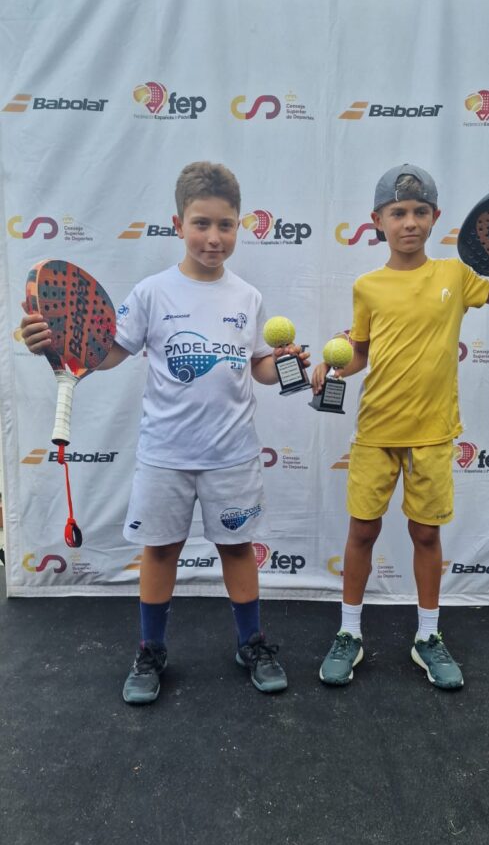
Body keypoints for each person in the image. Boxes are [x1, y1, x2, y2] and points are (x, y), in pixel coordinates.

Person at [21, 161, 309, 704]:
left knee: (237, 549)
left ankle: (251, 643)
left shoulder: (248, 297)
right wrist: (56, 343)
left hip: (232, 455)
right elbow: (109, 353)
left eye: (225, 225)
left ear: (239, 226)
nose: (213, 237)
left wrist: (287, 363)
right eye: (201, 223)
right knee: (160, 552)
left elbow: (260, 368)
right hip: (164, 456)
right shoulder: (153, 293)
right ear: (178, 225)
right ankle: (150, 650)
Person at [311, 164, 489, 691]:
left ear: (435, 218)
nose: (409, 222)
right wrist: (331, 368)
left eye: (419, 212)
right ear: (377, 221)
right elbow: (360, 351)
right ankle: (349, 633)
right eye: (398, 213)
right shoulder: (367, 286)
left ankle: (427, 636)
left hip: (433, 433)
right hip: (376, 431)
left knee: (426, 534)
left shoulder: (455, 274)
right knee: (362, 531)